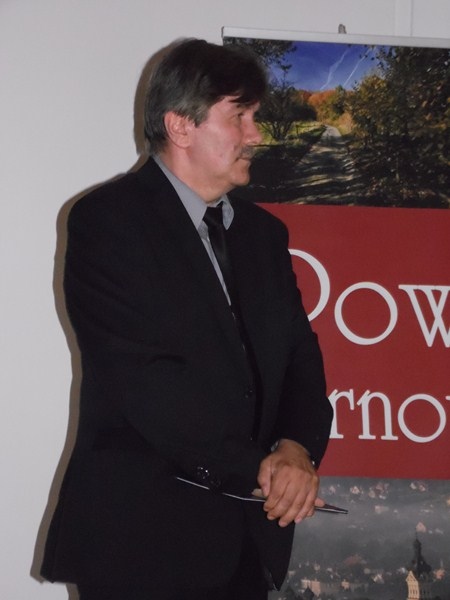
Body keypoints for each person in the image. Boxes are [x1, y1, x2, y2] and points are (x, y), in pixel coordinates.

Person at [40, 38, 333, 599]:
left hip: (247, 541)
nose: (256, 135)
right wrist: (264, 468)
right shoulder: (108, 222)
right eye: (240, 116)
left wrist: (296, 447)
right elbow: (146, 381)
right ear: (180, 126)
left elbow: (300, 358)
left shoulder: (264, 234)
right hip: (140, 544)